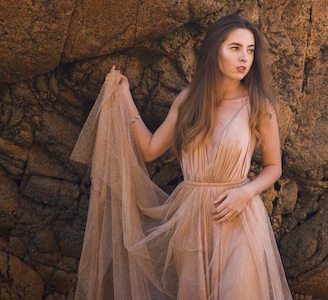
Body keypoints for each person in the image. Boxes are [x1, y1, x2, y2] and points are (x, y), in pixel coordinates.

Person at [71, 15, 292, 300]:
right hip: (192, 219)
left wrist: (245, 192)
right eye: (235, 48)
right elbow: (150, 149)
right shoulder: (188, 100)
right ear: (215, 51)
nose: (245, 58)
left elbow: (274, 167)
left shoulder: (259, 105)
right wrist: (124, 97)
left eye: (250, 50)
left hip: (238, 216)